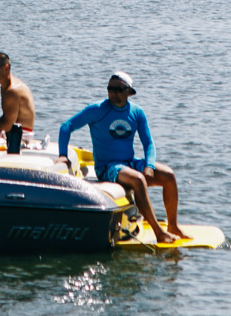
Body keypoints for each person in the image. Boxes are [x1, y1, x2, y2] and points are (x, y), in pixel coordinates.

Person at [58, 71, 181, 243]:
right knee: (138, 180)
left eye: (118, 89)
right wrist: (63, 155)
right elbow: (66, 126)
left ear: (129, 92)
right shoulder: (97, 109)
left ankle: (173, 226)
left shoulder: (137, 112)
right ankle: (159, 233)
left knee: (168, 175)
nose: (113, 93)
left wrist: (149, 166)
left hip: (129, 163)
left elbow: (149, 143)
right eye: (110, 89)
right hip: (107, 167)